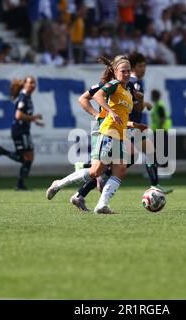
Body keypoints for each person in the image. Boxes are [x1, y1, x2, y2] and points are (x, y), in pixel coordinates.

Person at [46, 57, 145, 214]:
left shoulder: (127, 92)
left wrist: (133, 124)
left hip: (119, 134)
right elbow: (98, 96)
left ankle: (102, 205)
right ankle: (59, 184)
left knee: (120, 170)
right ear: (116, 72)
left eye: (128, 71)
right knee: (95, 171)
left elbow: (122, 117)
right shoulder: (113, 85)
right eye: (123, 71)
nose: (126, 74)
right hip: (107, 132)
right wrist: (107, 112)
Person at [127, 52, 173, 194]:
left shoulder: (132, 82)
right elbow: (134, 106)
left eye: (145, 66)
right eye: (140, 66)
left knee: (149, 153)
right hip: (129, 125)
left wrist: (144, 103)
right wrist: (144, 104)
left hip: (134, 126)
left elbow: (132, 103)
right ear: (133, 68)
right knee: (119, 161)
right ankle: (89, 169)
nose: (143, 69)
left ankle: (155, 185)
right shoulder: (135, 83)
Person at [0, 76, 43, 190]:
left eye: (34, 83)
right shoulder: (23, 98)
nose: (33, 85)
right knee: (27, 158)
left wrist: (34, 121)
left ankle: (20, 184)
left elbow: (24, 115)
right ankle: (2, 151)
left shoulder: (27, 97)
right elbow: (18, 115)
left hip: (24, 130)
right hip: (20, 131)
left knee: (28, 158)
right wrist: (34, 117)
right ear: (24, 84)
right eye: (30, 83)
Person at [150, 89, 172, 168]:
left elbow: (162, 119)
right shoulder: (158, 105)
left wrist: (160, 128)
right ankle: (162, 167)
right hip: (160, 130)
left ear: (154, 96)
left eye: (152, 96)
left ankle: (163, 167)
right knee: (160, 150)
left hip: (161, 130)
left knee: (161, 150)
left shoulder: (159, 106)